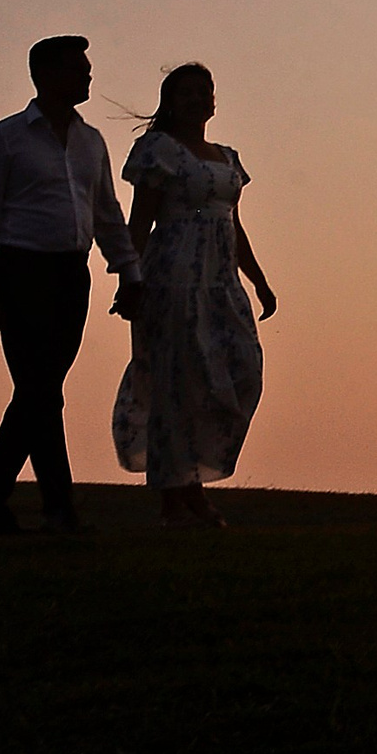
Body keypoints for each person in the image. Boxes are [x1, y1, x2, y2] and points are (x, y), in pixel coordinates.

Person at [0, 35, 144, 535]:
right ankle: (51, 507)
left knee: (40, 392)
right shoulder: (3, 139)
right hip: (20, 272)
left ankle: (2, 506)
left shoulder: (90, 142)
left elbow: (107, 215)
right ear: (45, 75)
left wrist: (129, 271)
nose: (87, 76)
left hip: (69, 275)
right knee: (41, 391)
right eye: (77, 68)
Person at [111, 63, 275, 527]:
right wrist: (130, 278)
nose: (199, 100)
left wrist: (258, 279)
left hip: (220, 278)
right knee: (177, 380)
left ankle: (191, 480)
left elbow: (232, 224)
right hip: (173, 273)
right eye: (187, 92)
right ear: (170, 100)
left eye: (205, 92)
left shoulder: (226, 157)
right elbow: (140, 220)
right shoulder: (158, 150)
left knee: (241, 368)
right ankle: (179, 495)